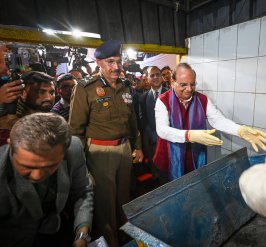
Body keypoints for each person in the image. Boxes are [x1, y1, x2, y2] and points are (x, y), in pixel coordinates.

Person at [69, 40, 143, 247]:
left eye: (118, 62)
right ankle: (110, 242)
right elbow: (75, 130)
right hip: (100, 153)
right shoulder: (86, 89)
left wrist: (137, 146)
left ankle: (126, 236)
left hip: (125, 150)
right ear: (99, 62)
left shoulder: (126, 86)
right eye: (110, 62)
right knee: (105, 204)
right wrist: (80, 163)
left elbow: (133, 121)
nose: (116, 67)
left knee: (124, 199)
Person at [154, 63, 266, 181]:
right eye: (183, 85)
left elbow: (217, 119)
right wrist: (188, 135)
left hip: (193, 159)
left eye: (192, 84)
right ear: (172, 83)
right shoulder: (163, 100)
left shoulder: (202, 99)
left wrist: (239, 130)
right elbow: (162, 130)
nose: (189, 89)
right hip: (168, 160)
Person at [0, 113, 93, 247]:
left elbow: (82, 192)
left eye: (50, 166)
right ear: (10, 145)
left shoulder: (73, 148)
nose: (37, 176)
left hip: (56, 231)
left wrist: (82, 234)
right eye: (27, 166)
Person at [0, 71, 55, 146]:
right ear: (23, 94)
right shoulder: (9, 127)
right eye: (41, 92)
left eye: (51, 93)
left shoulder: (55, 121)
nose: (49, 98)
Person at [139, 66, 168, 181]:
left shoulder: (171, 94)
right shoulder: (143, 98)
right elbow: (143, 121)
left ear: (162, 77)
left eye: (158, 74)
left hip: (170, 141)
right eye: (152, 75)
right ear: (147, 78)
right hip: (152, 142)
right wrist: (154, 136)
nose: (155, 77)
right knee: (156, 174)